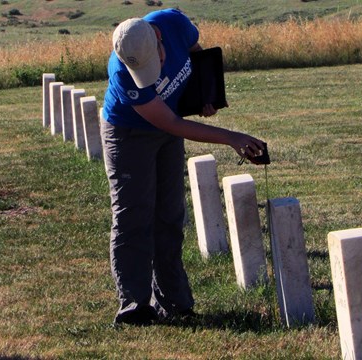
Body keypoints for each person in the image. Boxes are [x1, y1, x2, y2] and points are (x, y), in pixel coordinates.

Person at [101, 8, 265, 326]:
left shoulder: (174, 23)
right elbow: (171, 123)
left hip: (167, 128)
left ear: (159, 37)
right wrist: (232, 138)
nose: (155, 68)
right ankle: (134, 305)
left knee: (170, 216)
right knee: (133, 215)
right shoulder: (123, 73)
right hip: (129, 134)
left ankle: (175, 302)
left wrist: (205, 94)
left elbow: (198, 56)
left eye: (156, 60)